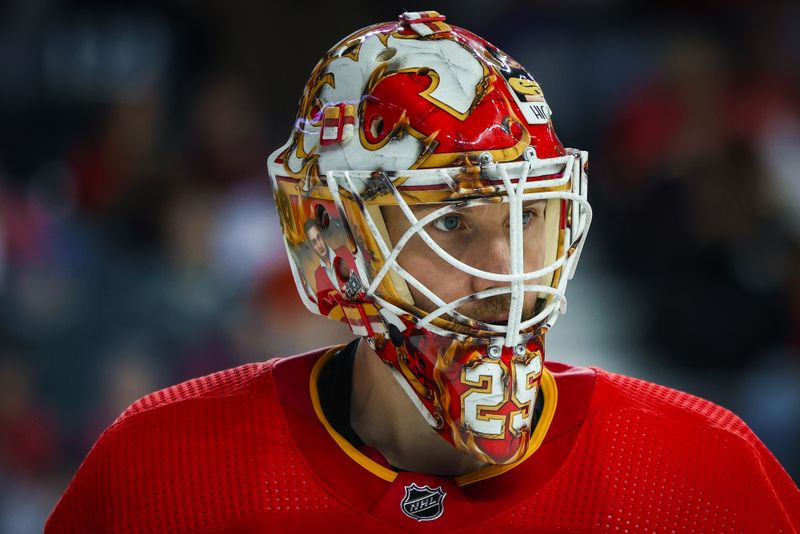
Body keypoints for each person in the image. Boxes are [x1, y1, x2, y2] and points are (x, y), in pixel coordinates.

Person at [46, 11, 799, 533]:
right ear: (329, 240)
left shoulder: (708, 474)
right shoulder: (158, 474)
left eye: (528, 216)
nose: (509, 273)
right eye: (449, 223)